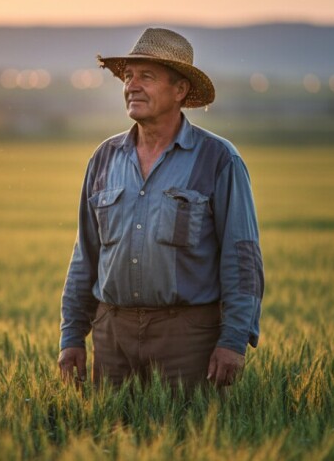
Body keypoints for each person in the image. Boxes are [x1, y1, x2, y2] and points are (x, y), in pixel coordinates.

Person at [57, 28, 264, 392]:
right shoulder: (104, 158)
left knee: (188, 428)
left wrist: (233, 341)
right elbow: (85, 256)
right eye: (128, 76)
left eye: (147, 77)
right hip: (112, 337)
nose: (132, 86)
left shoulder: (218, 159)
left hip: (187, 338)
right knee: (112, 428)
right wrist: (72, 335)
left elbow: (242, 257)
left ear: (180, 90)